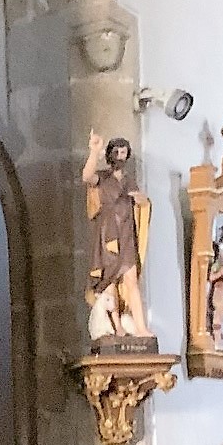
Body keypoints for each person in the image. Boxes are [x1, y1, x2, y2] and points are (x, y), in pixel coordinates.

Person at [82, 129, 151, 341]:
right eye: (116, 152)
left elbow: (141, 203)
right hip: (108, 232)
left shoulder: (130, 181)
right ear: (110, 154)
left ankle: (141, 327)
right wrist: (94, 151)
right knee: (109, 280)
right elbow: (87, 176)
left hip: (127, 233)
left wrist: (142, 200)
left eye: (123, 152)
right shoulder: (103, 177)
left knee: (131, 279)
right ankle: (116, 328)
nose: (120, 156)